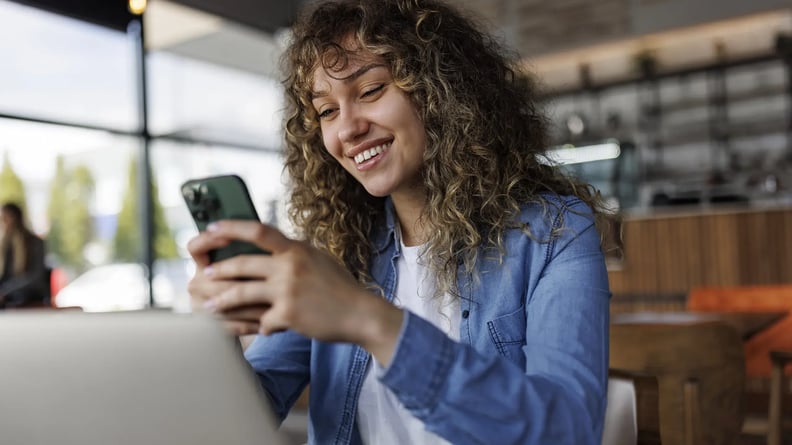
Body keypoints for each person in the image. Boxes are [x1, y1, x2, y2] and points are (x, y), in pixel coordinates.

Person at [187, 0, 611, 443]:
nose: (347, 129)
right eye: (327, 111)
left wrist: (368, 319)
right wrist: (217, 337)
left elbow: (568, 431)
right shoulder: (338, 248)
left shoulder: (556, 233)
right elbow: (252, 409)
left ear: (442, 92)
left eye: (370, 91)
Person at [0, 202, 48, 309]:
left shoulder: (34, 243)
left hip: (27, 296)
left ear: (15, 218)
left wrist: (5, 292)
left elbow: (35, 277)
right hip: (8, 296)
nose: (2, 222)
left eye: (4, 218)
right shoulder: (4, 245)